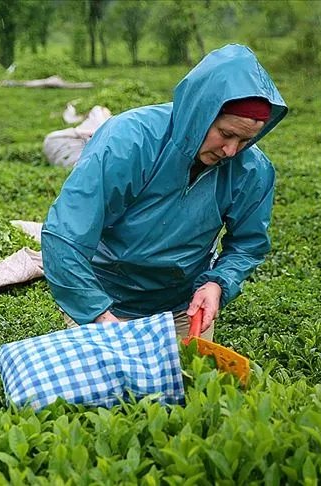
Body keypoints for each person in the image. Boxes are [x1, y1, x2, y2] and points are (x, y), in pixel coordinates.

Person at [41, 44, 288, 341]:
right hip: (103, 300)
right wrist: (98, 315)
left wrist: (217, 284)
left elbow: (248, 244)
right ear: (201, 113)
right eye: (226, 134)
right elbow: (65, 235)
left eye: (245, 140)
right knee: (107, 386)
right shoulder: (128, 140)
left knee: (190, 384)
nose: (231, 150)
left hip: (182, 309)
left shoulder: (252, 169)